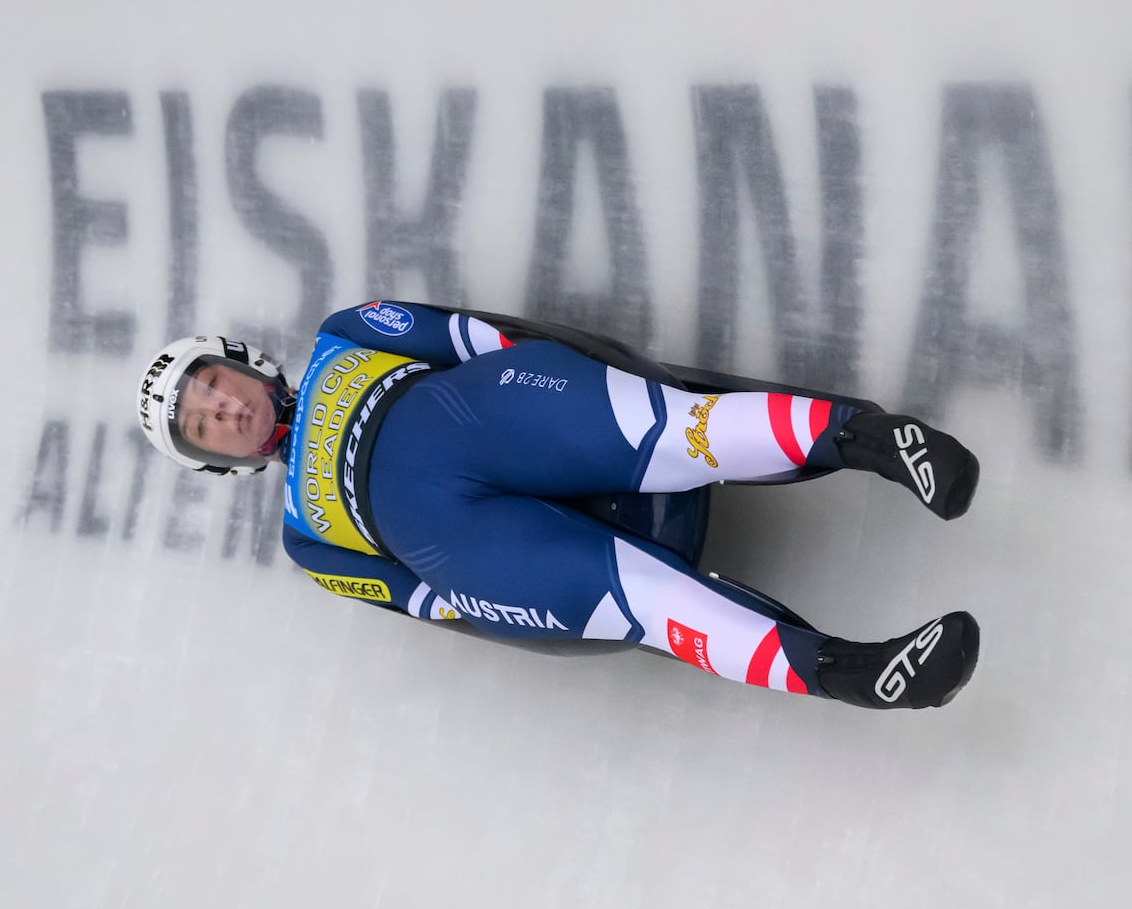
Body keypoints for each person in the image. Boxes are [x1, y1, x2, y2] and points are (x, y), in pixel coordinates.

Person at [136, 301, 983, 711]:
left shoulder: (347, 331)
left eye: (215, 385)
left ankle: (876, 442)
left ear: (240, 362)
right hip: (464, 545)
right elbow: (424, 602)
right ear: (216, 458)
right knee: (641, 604)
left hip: (492, 417)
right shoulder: (307, 543)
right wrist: (535, 621)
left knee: (670, 428)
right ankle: (856, 674)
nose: (225, 408)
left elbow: (474, 337)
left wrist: (590, 371)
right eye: (204, 422)